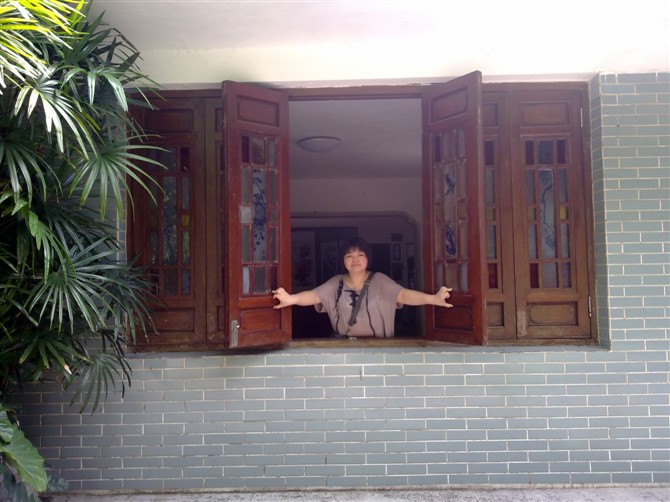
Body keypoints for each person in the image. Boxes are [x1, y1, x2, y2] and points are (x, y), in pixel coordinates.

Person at [273, 237, 452, 338]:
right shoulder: (336, 283)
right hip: (346, 347)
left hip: (380, 348)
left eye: (360, 254)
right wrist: (291, 299)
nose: (355, 259)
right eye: (349, 256)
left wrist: (432, 299)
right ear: (343, 260)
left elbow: (403, 295)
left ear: (368, 258)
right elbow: (314, 296)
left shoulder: (380, 281)